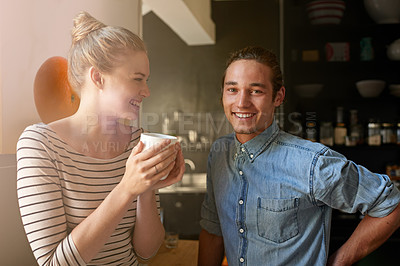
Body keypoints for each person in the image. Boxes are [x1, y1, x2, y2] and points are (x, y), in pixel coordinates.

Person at [198, 46, 400, 266]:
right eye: (232, 90)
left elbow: (391, 203)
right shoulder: (219, 154)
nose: (241, 102)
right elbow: (212, 229)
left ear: (278, 96)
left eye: (256, 91)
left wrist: (337, 262)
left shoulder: (312, 162)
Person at [16, 11, 184, 266]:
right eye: (137, 79)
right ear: (98, 77)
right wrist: (127, 188)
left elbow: (146, 252)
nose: (147, 91)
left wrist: (147, 189)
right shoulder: (39, 144)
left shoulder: (138, 142)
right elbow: (53, 263)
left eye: (146, 80)